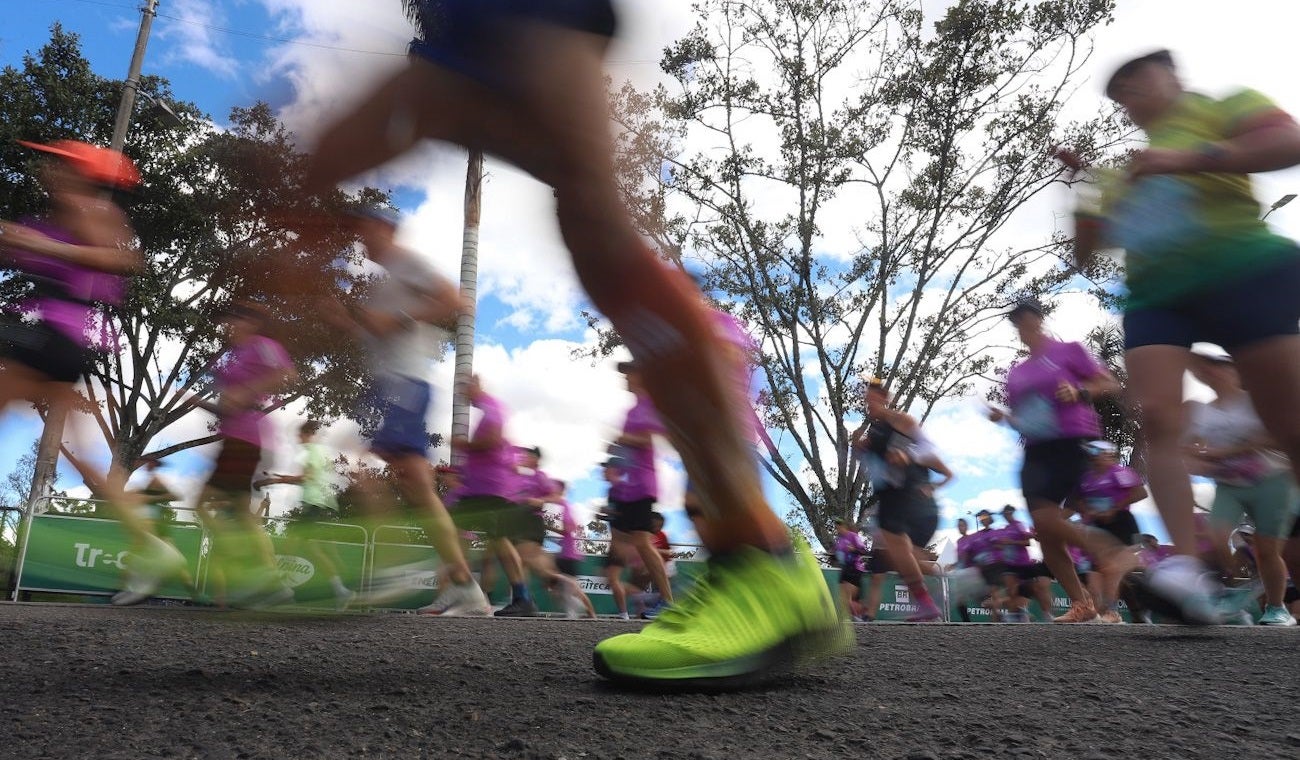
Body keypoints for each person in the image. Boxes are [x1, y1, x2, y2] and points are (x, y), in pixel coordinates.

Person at [302, 0, 846, 686]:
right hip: (458, 21)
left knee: (595, 217)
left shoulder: (415, 283)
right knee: (587, 213)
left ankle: (763, 562)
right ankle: (757, 564)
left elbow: (450, 304)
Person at [1060, 49, 1300, 624]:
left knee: (1290, 425)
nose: (1131, 99)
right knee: (1158, 417)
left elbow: (1288, 144)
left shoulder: (1225, 107)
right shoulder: (1121, 172)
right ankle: (1188, 573)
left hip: (1243, 269)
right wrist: (1080, 195)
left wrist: (1189, 158)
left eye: (1139, 81)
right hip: (1157, 296)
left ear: (1173, 74)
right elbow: (1087, 254)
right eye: (1121, 95)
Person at [0, 139, 186, 602]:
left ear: (80, 173)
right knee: (85, 462)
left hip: (60, 338)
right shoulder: (52, 218)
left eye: (59, 164)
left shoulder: (92, 212)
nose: (48, 170)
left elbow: (126, 260)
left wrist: (45, 246)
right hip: (53, 338)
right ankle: (153, 548)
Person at [324, 208, 489, 616]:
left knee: (359, 462)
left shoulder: (407, 262)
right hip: (388, 386)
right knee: (413, 485)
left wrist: (395, 318)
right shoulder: (383, 283)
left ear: (385, 229)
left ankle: (392, 569)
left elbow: (457, 301)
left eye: (364, 228)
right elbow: (380, 334)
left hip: (403, 385)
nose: (359, 238)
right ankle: (464, 586)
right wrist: (346, 322)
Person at [988, 298, 1134, 623]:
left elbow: (1109, 383)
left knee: (1048, 522)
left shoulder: (1069, 351)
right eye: (1017, 323)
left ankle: (1108, 550)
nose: (1023, 328)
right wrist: (1005, 417)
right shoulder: (1017, 373)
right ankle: (1082, 604)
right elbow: (1024, 417)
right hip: (1035, 450)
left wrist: (1080, 391)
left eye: (1028, 320)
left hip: (1072, 441)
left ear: (1040, 320)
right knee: (1045, 530)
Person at [189, 302, 298, 608]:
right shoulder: (235, 357)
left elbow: (287, 374)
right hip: (234, 437)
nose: (229, 325)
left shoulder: (263, 346)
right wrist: (197, 401)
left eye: (234, 320)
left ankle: (254, 571)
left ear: (251, 322)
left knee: (203, 504)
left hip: (246, 438)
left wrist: (247, 391)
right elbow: (227, 406)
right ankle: (269, 578)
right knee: (242, 513)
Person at [1184, 350, 1298, 625]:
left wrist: (1226, 452)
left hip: (1273, 481)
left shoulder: (1257, 403)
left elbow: (1277, 438)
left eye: (1221, 366)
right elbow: (1187, 451)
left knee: (1267, 550)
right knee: (1215, 535)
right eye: (1207, 367)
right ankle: (1233, 591)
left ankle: (1276, 608)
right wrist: (1197, 460)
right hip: (1229, 485)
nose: (1214, 371)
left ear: (1236, 371)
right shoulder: (1200, 411)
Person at [854, 379, 953, 622]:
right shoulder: (874, 433)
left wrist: (907, 455)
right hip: (889, 497)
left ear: (885, 398)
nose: (869, 403)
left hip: (908, 493)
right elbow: (872, 464)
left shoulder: (902, 420)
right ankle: (928, 602)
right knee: (899, 553)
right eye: (867, 400)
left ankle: (935, 595)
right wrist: (858, 448)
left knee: (899, 549)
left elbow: (929, 448)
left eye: (874, 398)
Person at [264, 420, 358, 611]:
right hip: (318, 505)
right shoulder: (319, 452)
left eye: (300, 434)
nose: (298, 438)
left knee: (290, 545)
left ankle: (282, 590)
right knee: (313, 550)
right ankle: (342, 592)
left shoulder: (313, 451)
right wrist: (282, 478)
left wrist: (277, 479)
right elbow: (308, 479)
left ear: (308, 434)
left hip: (313, 504)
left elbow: (307, 477)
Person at [603, 362, 674, 611]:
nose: (625, 378)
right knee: (625, 539)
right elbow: (627, 451)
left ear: (641, 376)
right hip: (628, 488)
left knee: (642, 543)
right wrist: (615, 460)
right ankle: (653, 594)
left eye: (629, 373)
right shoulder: (632, 411)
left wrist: (620, 439)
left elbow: (648, 439)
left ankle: (666, 599)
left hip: (642, 485)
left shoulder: (648, 406)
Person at [996, 506, 1055, 623]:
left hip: (1024, 564)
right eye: (1004, 513)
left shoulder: (1019, 524)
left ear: (1013, 513)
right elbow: (1002, 546)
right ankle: (1018, 614)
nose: (1007, 515)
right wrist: (1001, 546)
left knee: (1035, 589)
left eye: (1009, 513)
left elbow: (1028, 542)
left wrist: (1011, 542)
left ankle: (1046, 613)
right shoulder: (1005, 529)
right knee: (1012, 591)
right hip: (1010, 565)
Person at [832, 519, 870, 621]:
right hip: (844, 569)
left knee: (849, 597)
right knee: (843, 597)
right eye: (836, 526)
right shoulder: (839, 540)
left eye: (839, 525)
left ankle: (862, 615)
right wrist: (832, 556)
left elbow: (863, 551)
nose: (837, 528)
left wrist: (854, 549)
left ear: (845, 526)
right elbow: (837, 555)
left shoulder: (853, 536)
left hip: (855, 568)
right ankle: (852, 616)